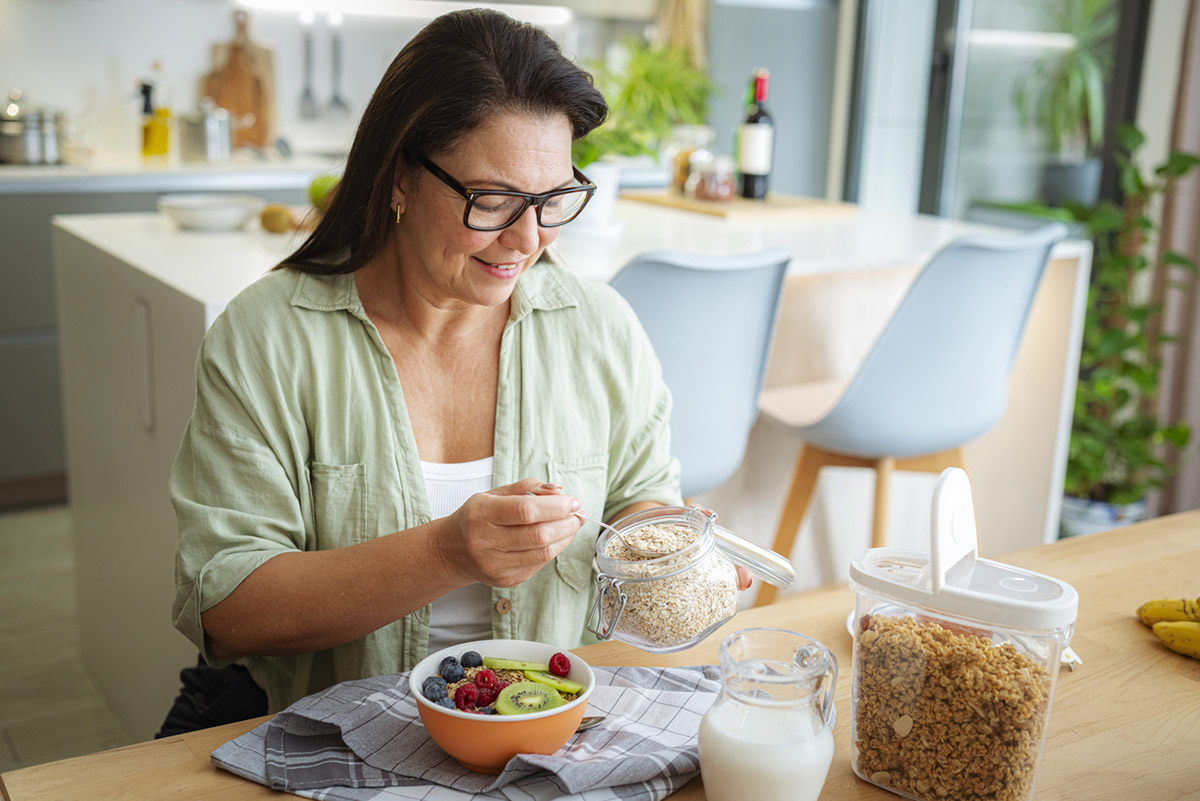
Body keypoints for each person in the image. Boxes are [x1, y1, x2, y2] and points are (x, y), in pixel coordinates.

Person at [160, 8, 748, 738]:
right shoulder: (267, 338)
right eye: (493, 200)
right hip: (333, 741)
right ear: (401, 175)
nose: (528, 238)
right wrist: (445, 551)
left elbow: (636, 500)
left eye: (553, 199)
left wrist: (669, 551)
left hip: (546, 731)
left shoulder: (599, 328)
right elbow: (231, 609)